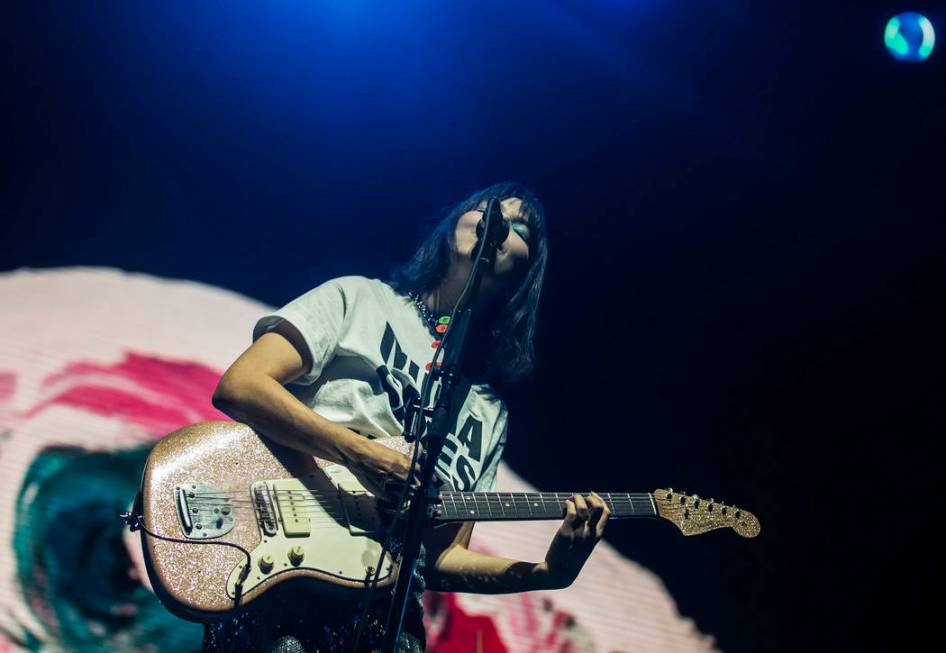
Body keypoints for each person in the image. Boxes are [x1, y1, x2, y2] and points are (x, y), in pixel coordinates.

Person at [205, 182, 610, 652]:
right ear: (454, 224)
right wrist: (358, 453)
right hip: (283, 582)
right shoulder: (359, 299)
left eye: (518, 227)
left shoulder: (487, 412)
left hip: (392, 625)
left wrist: (548, 573)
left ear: (527, 270)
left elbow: (442, 559)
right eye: (486, 211)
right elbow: (241, 387)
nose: (496, 225)